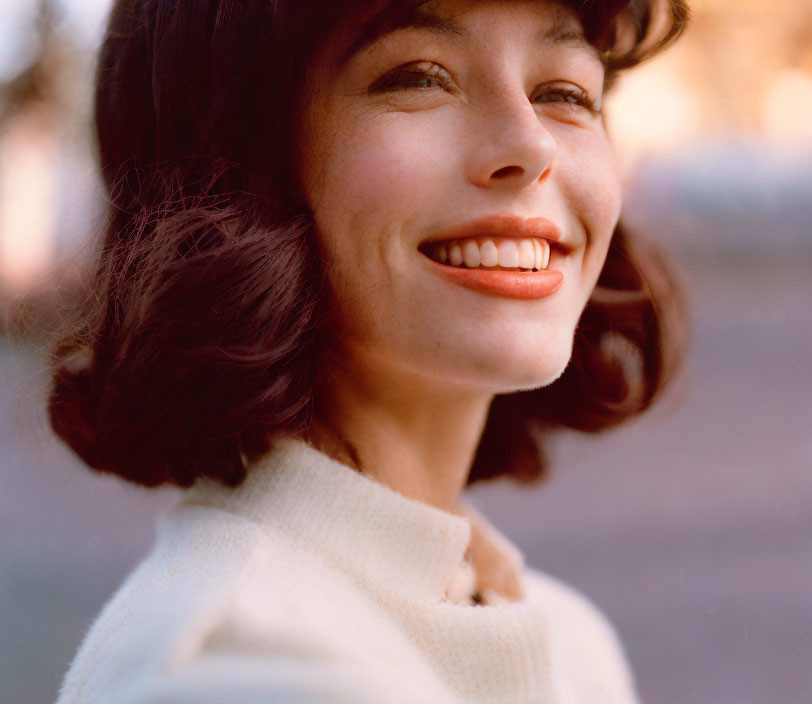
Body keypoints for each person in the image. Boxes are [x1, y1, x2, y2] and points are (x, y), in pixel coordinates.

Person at [50, 0, 689, 701]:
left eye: (565, 92)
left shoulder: (573, 646)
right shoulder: (236, 671)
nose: (532, 144)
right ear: (241, 164)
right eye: (419, 76)